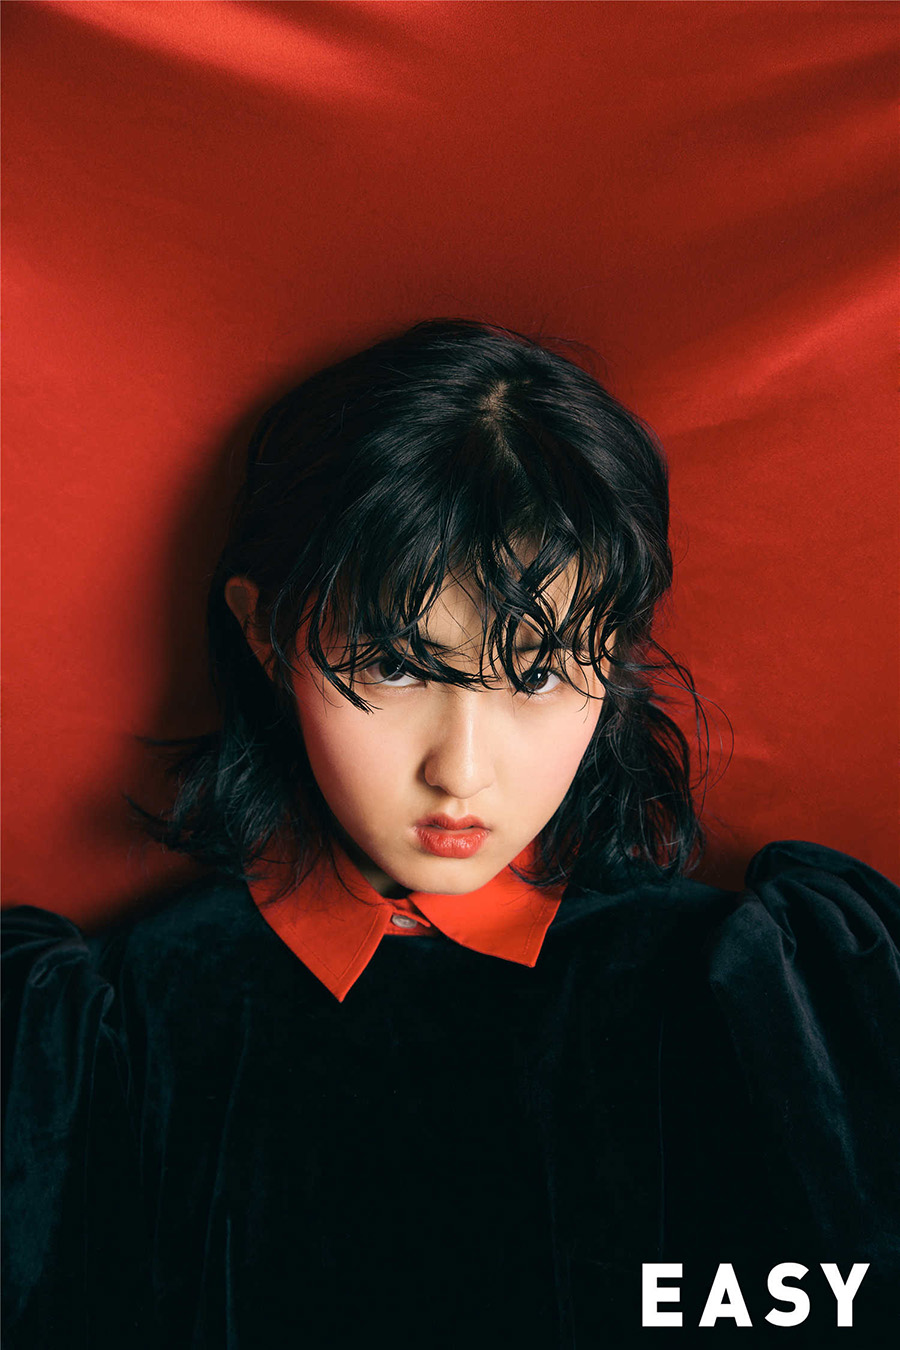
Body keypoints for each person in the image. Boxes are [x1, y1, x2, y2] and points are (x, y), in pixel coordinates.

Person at [2, 319, 898, 1348]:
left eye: (538, 673)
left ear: (616, 658)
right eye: (394, 666)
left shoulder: (749, 997)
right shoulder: (120, 1032)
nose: (461, 772)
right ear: (266, 633)